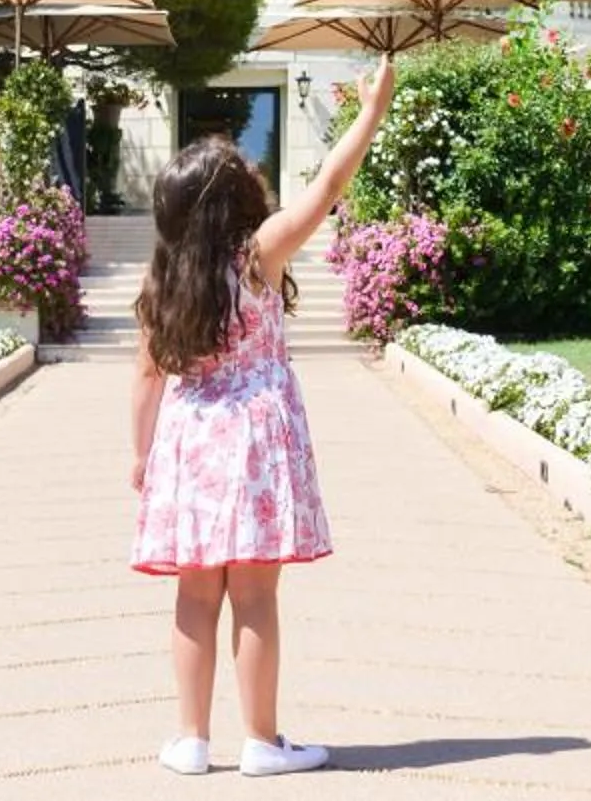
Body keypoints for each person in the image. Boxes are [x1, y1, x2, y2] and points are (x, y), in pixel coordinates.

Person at [129, 55, 397, 778]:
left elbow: (146, 381)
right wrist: (369, 112)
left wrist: (140, 458)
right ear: (231, 203)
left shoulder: (162, 284)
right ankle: (262, 740)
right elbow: (330, 186)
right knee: (254, 596)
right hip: (250, 440)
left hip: (187, 444)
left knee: (194, 595)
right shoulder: (259, 258)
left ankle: (189, 740)